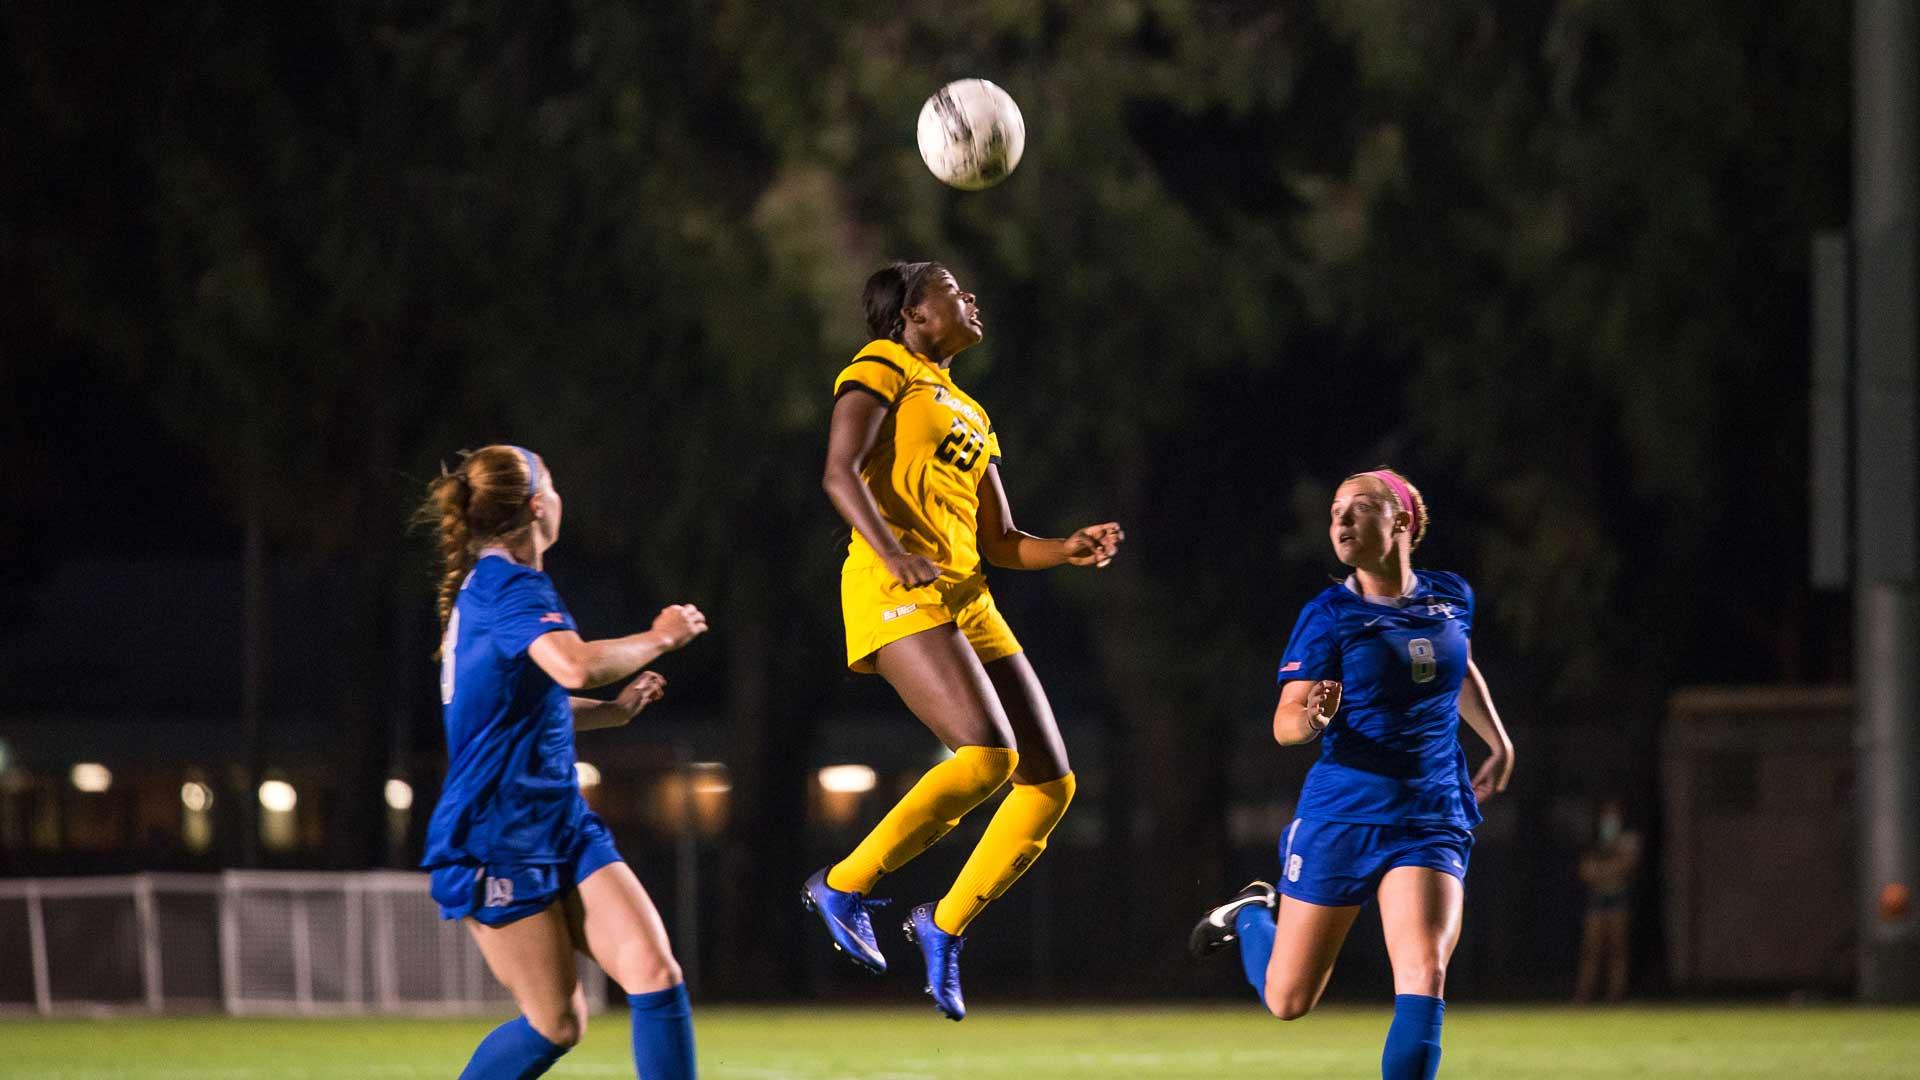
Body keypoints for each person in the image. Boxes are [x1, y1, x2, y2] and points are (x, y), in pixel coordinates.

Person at [802, 261, 1125, 1020]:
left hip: (965, 594)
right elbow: (838, 474)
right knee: (987, 756)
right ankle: (844, 884)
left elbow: (1003, 539)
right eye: (952, 290)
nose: (970, 297)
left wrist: (1066, 546)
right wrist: (892, 552)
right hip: (892, 586)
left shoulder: (972, 413)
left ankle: (943, 926)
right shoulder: (883, 365)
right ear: (914, 313)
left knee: (1050, 785)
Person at [1188, 468, 1514, 1080]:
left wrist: (1498, 740)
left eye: (1358, 507)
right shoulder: (1330, 614)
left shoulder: (1451, 596)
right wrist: (1311, 718)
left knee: (1424, 970)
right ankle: (1255, 913)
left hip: (1432, 811)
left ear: (1402, 520)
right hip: (1345, 813)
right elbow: (1286, 720)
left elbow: (1457, 665)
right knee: (1288, 1001)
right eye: (1335, 509)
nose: (1339, 520)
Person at [419, 444, 709, 1080]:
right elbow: (572, 662)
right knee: (558, 1024)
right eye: (551, 482)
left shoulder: (495, 585)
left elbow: (520, 707)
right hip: (496, 837)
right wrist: (662, 637)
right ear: (536, 505)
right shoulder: (509, 585)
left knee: (655, 974)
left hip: (561, 823)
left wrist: (613, 712)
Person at [1574, 796, 1641, 1004]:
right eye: (1606, 813)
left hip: (1618, 898)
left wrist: (1604, 870)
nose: (1610, 818)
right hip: (1597, 900)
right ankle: (1584, 996)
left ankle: (1616, 995)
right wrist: (1607, 870)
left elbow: (1627, 865)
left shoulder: (1628, 838)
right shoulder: (1594, 840)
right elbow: (1586, 871)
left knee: (1617, 949)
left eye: (1614, 813)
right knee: (1591, 949)